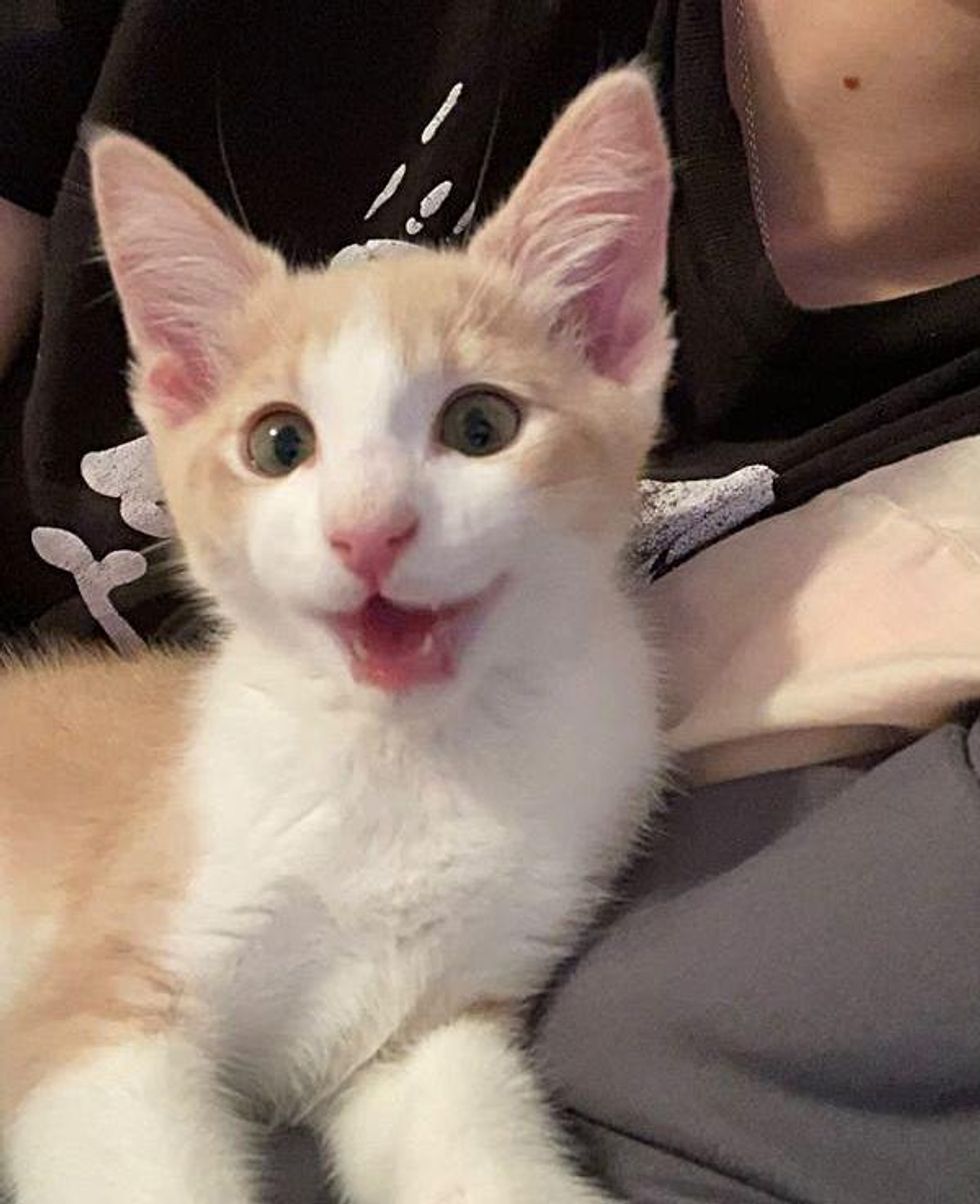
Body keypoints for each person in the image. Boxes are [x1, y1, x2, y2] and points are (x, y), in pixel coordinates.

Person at [1, 2, 978, 1200]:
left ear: (611, 340)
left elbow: (412, 1042)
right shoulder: (238, 748)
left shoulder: (606, 737)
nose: (366, 524)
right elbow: (95, 1031)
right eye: (281, 440)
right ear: (178, 384)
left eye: (475, 425)